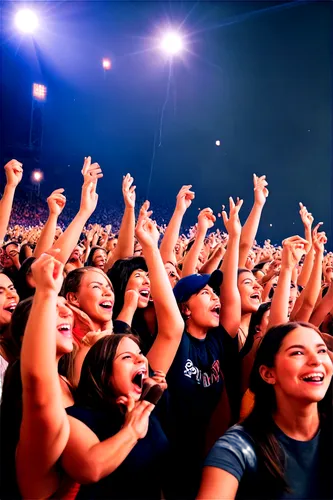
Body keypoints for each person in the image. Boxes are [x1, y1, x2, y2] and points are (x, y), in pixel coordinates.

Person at [198, 321, 333, 500]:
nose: (316, 360)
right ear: (268, 374)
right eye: (298, 352)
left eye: (321, 350)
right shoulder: (236, 447)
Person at [1, 252, 75, 498]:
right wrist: (45, 292)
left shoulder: (69, 378)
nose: (67, 313)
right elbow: (37, 381)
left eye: (67, 306)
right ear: (26, 334)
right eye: (55, 308)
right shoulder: (29, 387)